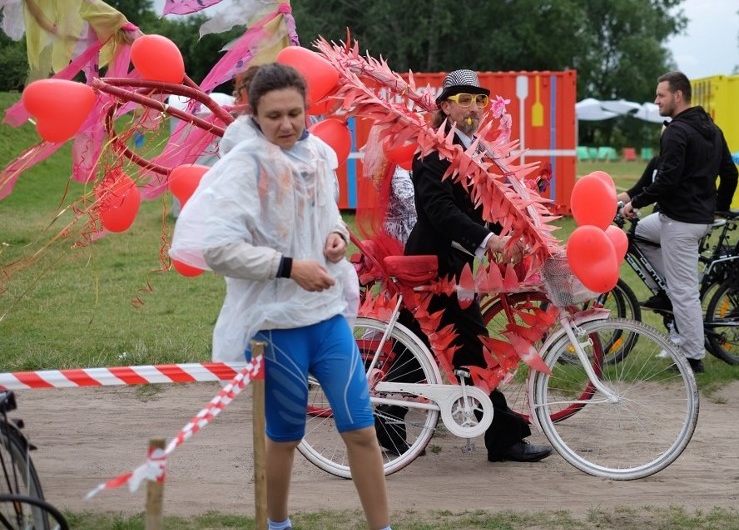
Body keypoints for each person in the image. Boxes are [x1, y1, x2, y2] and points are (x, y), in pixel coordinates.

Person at [169, 63, 392, 530]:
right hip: (274, 325)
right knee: (285, 436)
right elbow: (218, 249)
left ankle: (382, 527)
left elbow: (330, 216)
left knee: (361, 429)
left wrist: (335, 238)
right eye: (274, 116)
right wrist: (289, 267)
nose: (287, 125)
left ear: (308, 110)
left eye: (295, 113)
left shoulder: (317, 156)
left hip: (326, 317)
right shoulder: (241, 167)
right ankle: (278, 524)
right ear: (254, 114)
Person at [402, 69, 552, 462]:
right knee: (461, 347)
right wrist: (489, 240)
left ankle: (382, 418)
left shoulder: (481, 152)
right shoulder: (431, 150)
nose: (473, 108)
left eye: (479, 100)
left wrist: (520, 232)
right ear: (445, 106)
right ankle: (502, 438)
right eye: (463, 99)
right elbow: (440, 210)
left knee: (419, 349)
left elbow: (490, 205)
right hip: (435, 265)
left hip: (460, 265)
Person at [620, 71, 738, 373]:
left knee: (684, 291)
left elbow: (668, 179)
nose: (656, 100)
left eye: (661, 95)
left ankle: (692, 356)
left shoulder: (676, 131)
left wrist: (635, 202)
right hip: (686, 218)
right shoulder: (712, 128)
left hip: (681, 222)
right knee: (642, 233)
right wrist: (718, 209)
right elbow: (731, 173)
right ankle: (669, 285)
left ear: (678, 96)